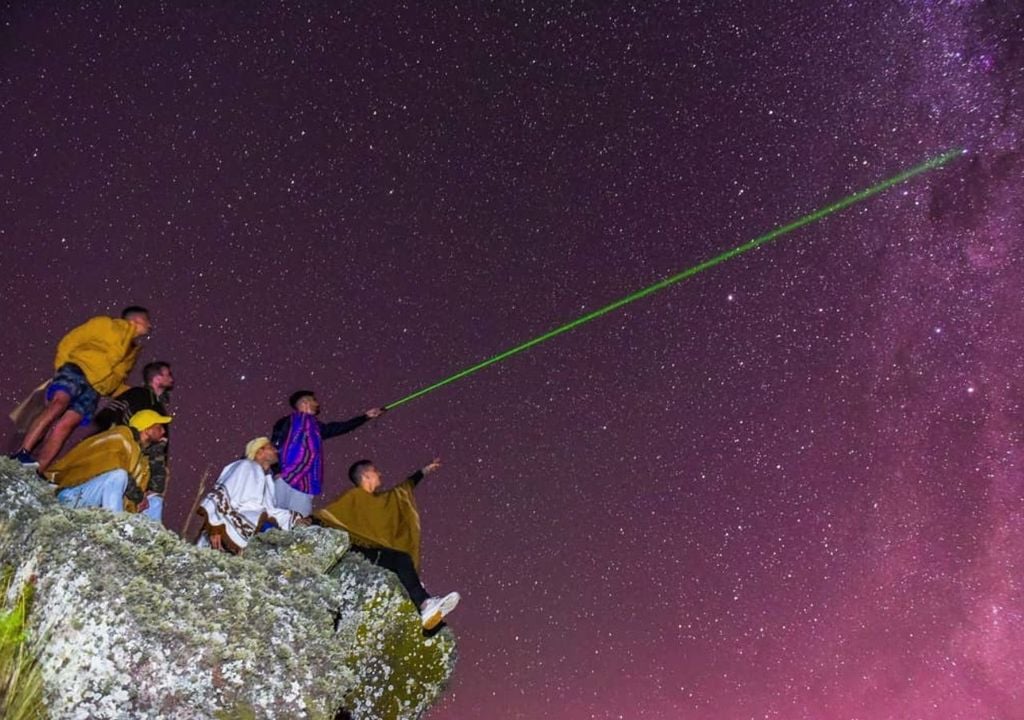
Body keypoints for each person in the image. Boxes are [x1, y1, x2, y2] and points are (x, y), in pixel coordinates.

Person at [315, 458, 460, 630]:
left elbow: (402, 490)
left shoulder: (381, 500)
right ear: (366, 475)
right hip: (359, 552)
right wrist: (309, 520)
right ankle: (424, 603)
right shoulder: (353, 497)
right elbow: (327, 515)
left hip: (378, 553)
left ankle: (424, 604)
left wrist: (423, 471)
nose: (380, 474)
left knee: (402, 560)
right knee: (401, 560)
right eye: (376, 471)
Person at [9, 306, 152, 471]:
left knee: (67, 425)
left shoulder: (133, 352)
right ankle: (22, 452)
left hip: (95, 389)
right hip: (77, 370)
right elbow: (72, 340)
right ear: (137, 320)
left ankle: (37, 469)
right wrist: (62, 368)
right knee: (58, 405)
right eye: (148, 321)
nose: (150, 326)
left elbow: (118, 379)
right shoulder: (105, 324)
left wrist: (133, 394)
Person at [270, 390, 385, 517]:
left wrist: (365, 417)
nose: (317, 403)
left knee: (300, 519)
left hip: (306, 480)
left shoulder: (316, 427)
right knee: (277, 516)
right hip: (284, 476)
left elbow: (340, 427)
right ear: (305, 402)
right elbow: (275, 444)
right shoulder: (286, 422)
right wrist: (277, 470)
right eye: (314, 400)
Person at [92, 361, 175, 524]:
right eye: (168, 374)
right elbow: (109, 415)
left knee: (150, 501)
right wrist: (122, 439)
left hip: (145, 466)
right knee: (121, 485)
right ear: (157, 378)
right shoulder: (138, 394)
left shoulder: (158, 405)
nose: (172, 378)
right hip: (129, 459)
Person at [44, 409, 171, 516]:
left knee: (155, 502)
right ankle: (115, 528)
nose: (164, 431)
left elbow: (157, 488)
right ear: (147, 429)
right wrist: (138, 497)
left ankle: (148, 542)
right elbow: (115, 469)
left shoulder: (142, 458)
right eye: (159, 427)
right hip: (74, 495)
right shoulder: (120, 436)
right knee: (119, 475)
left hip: (101, 501)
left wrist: (157, 452)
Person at [197, 437, 309, 554]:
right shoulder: (244, 466)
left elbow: (270, 511)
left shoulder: (266, 481)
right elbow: (221, 495)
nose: (276, 451)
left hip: (251, 534)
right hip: (227, 534)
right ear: (259, 451)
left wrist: (296, 519)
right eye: (271, 447)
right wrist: (215, 529)